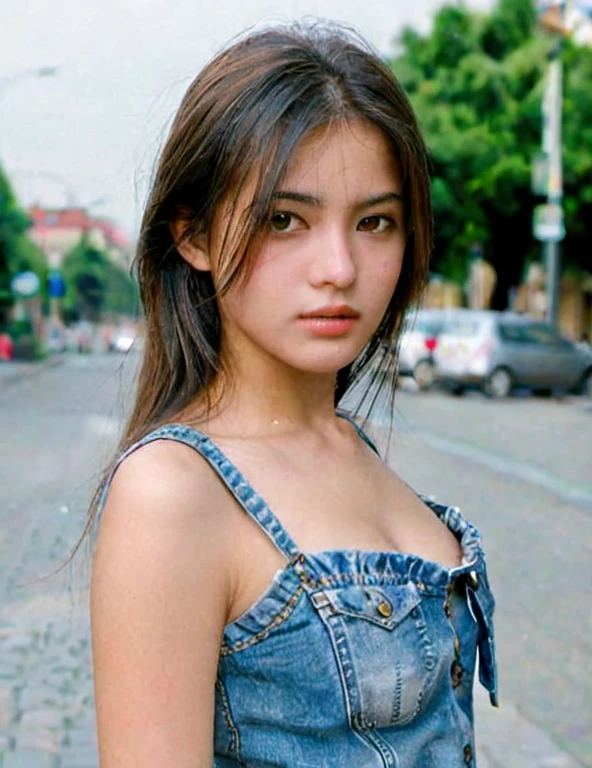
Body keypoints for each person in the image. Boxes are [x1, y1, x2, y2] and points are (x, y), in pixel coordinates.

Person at [88, 22, 498, 767]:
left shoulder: (352, 445)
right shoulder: (173, 491)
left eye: (375, 222)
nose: (338, 267)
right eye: (285, 220)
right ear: (195, 235)